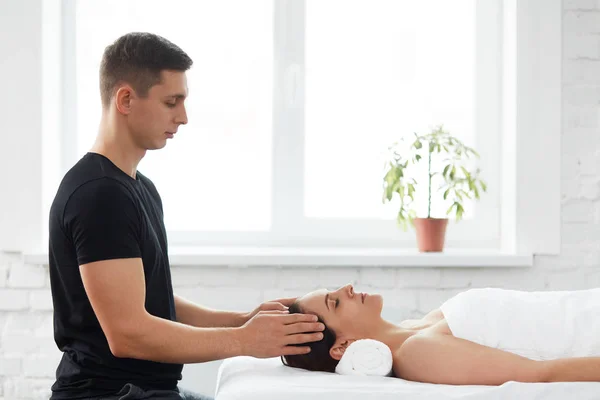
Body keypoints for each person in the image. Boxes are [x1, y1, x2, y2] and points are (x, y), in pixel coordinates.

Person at [48, 32, 324, 400]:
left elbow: (150, 304)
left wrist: (244, 319)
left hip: (147, 391)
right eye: (171, 102)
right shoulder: (99, 195)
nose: (183, 117)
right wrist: (244, 339)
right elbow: (129, 332)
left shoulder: (138, 188)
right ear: (126, 99)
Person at [282, 284, 600, 385]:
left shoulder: (418, 324)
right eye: (335, 302)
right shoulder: (417, 353)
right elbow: (542, 374)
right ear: (343, 346)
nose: (347, 288)